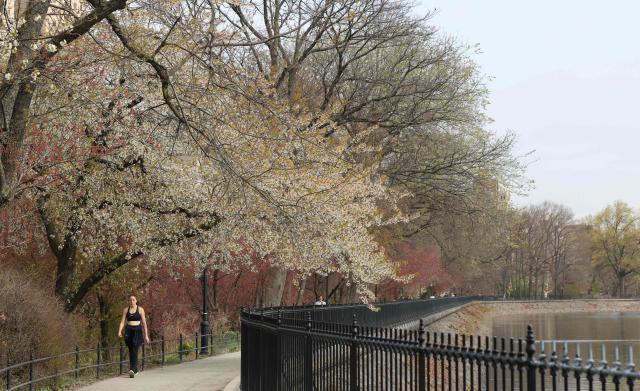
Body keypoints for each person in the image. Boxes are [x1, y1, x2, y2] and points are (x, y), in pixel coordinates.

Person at [118, 294, 150, 378]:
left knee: (135, 349)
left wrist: (146, 336)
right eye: (130, 300)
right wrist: (119, 331)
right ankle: (134, 370)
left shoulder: (140, 310)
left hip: (137, 330)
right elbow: (122, 322)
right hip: (128, 330)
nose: (131, 301)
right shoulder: (126, 310)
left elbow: (144, 324)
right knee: (131, 349)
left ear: (136, 301)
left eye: (133, 300)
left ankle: (132, 369)